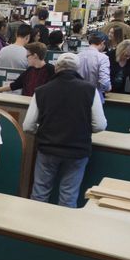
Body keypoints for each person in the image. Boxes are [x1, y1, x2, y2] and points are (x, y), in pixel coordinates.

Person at [23, 53, 107, 207]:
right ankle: (62, 229)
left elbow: (28, 125)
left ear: (56, 68)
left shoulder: (41, 91)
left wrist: (42, 132)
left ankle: (32, 226)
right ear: (78, 69)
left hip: (47, 149)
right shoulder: (90, 90)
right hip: (77, 150)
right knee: (69, 195)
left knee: (40, 192)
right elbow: (100, 125)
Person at [77, 33, 111, 99]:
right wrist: (108, 87)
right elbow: (104, 82)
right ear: (103, 43)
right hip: (95, 97)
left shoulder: (78, 56)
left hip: (78, 96)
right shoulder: (103, 58)